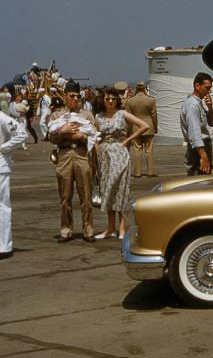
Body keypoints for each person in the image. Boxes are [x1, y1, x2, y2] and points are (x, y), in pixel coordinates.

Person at [48, 80, 99, 243]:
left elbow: (94, 136)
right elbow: (52, 138)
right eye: (71, 96)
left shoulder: (86, 115)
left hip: (82, 154)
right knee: (65, 196)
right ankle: (66, 229)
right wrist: (63, 132)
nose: (75, 99)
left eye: (77, 96)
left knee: (86, 196)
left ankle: (88, 228)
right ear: (65, 96)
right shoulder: (57, 115)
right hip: (64, 155)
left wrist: (81, 136)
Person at [94, 88, 147, 240]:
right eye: (107, 99)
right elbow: (95, 135)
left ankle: (122, 228)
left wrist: (128, 140)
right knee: (107, 189)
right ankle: (110, 228)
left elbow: (144, 125)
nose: (110, 101)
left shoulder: (122, 114)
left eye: (113, 98)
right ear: (102, 100)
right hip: (104, 155)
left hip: (120, 153)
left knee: (120, 190)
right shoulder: (98, 117)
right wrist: (97, 149)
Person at [0, 109, 28, 259]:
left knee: (2, 206)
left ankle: (4, 246)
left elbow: (22, 134)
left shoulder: (2, 117)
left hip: (0, 167)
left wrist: (3, 148)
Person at [180, 72, 213, 175]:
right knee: (199, 181)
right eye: (207, 88)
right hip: (198, 149)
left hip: (202, 147)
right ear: (197, 86)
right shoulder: (193, 105)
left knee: (203, 178)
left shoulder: (198, 103)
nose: (209, 91)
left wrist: (210, 107)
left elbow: (211, 122)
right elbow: (194, 132)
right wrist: (203, 155)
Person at [125, 82, 158, 177]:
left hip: (135, 127)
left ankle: (137, 172)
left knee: (137, 151)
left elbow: (128, 117)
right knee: (149, 150)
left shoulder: (130, 101)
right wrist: (155, 127)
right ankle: (151, 171)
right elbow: (154, 115)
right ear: (144, 89)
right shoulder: (151, 100)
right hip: (149, 126)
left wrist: (128, 130)